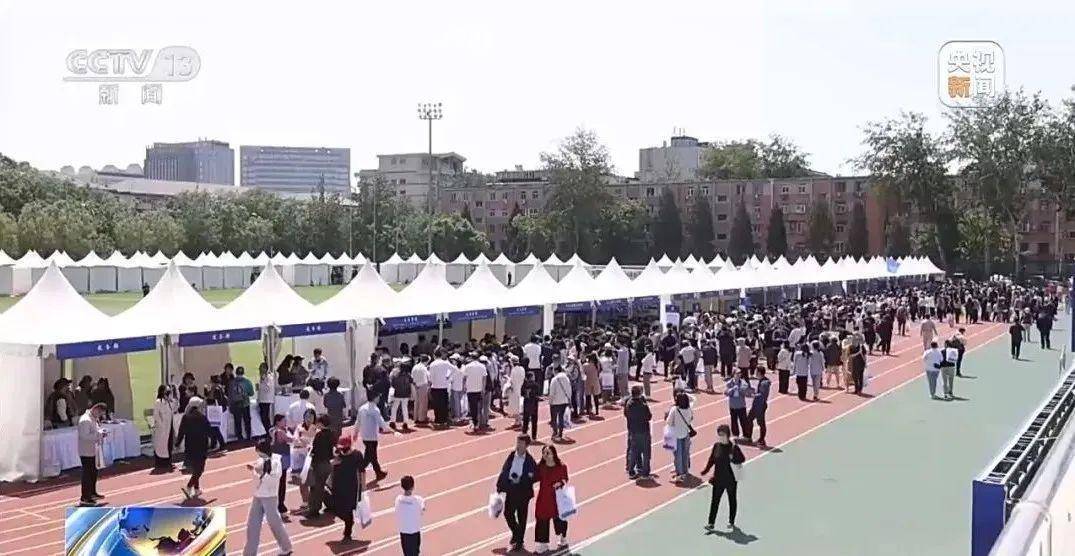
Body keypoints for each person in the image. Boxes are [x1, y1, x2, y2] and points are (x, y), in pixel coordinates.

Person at [242, 439, 293, 556]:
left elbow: (273, 478)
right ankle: (249, 553)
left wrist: (260, 473)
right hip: (258, 495)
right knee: (252, 524)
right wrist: (255, 469)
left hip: (269, 496)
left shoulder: (276, 461)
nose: (258, 454)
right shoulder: (261, 460)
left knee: (274, 523)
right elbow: (258, 471)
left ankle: (286, 547)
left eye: (259, 451)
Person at [496, 435, 538, 553]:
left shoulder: (530, 460)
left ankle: (519, 541)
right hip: (511, 489)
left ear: (527, 445)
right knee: (508, 513)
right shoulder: (511, 455)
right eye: (517, 442)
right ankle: (516, 533)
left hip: (523, 492)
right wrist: (500, 485)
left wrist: (522, 479)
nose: (518, 445)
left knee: (522, 516)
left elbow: (535, 475)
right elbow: (504, 470)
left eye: (521, 443)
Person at [701, 424, 746, 532]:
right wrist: (706, 470)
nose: (720, 437)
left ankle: (731, 521)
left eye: (722, 435)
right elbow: (712, 459)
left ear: (727, 435)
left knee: (732, 500)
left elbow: (742, 459)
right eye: (719, 435)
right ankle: (711, 523)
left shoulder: (733, 448)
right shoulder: (716, 446)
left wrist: (733, 458)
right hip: (718, 479)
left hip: (731, 480)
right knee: (715, 501)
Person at [534, 445, 570, 552]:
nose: (545, 455)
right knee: (541, 518)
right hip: (544, 497)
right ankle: (543, 544)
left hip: (557, 497)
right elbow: (534, 477)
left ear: (553, 454)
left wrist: (560, 483)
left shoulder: (561, 466)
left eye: (548, 453)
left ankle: (562, 538)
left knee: (559, 518)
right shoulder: (540, 466)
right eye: (543, 453)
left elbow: (565, 479)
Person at [330, 435, 365, 543]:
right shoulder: (337, 454)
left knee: (348, 509)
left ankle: (347, 531)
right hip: (337, 486)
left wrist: (363, 486)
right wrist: (333, 463)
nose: (342, 450)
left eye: (343, 447)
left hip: (351, 486)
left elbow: (362, 471)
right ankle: (348, 521)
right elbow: (330, 466)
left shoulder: (357, 455)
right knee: (335, 508)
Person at [175, 400, 211, 500]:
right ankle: (189, 486)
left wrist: (177, 443)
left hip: (190, 445)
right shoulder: (202, 417)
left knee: (195, 468)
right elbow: (209, 430)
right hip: (201, 445)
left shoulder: (186, 417)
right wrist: (213, 440)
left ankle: (197, 489)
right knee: (199, 469)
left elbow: (181, 431)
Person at [354, 393, 392, 482]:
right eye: (378, 397)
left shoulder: (362, 408)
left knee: (370, 455)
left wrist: (356, 432)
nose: (379, 398)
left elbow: (358, 422)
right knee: (371, 456)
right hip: (372, 436)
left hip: (365, 436)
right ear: (375, 398)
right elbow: (381, 423)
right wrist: (391, 430)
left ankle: (378, 472)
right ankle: (359, 470)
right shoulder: (375, 410)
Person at [77, 403, 108, 506]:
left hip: (93, 450)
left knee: (93, 472)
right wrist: (99, 434)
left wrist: (101, 432)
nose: (99, 416)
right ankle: (85, 497)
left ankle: (92, 493)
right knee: (87, 474)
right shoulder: (85, 420)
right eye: (99, 413)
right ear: (96, 409)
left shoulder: (93, 418)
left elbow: (95, 431)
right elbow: (84, 436)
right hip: (86, 451)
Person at [304, 415, 335, 518]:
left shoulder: (319, 435)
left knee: (316, 488)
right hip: (328, 463)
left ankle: (314, 509)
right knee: (324, 486)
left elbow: (314, 449)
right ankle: (331, 504)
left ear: (321, 423)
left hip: (319, 463)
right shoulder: (331, 433)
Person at [624, 385, 651, 480]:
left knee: (634, 450)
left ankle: (631, 469)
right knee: (646, 452)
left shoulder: (628, 403)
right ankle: (645, 473)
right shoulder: (643, 405)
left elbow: (626, 414)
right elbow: (649, 416)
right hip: (643, 430)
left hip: (633, 430)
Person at [666, 392, 694, 483]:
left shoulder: (674, 409)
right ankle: (685, 471)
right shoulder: (689, 409)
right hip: (685, 433)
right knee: (685, 453)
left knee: (678, 455)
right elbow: (690, 420)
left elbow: (669, 422)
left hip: (675, 434)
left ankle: (679, 474)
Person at [395, 474, 425, 556]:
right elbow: (422, 510)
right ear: (413, 487)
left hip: (403, 532)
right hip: (414, 532)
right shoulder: (418, 500)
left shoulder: (398, 499)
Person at [268, 414, 292, 514]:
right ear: (278, 422)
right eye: (283, 421)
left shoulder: (272, 430)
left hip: (274, 458)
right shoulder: (281, 432)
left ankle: (274, 504)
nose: (285, 422)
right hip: (282, 458)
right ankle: (281, 505)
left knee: (274, 481)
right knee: (282, 482)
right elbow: (290, 440)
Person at [152, 385, 177, 470]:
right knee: (161, 445)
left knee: (169, 444)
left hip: (169, 426)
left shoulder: (169, 402)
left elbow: (175, 408)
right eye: (167, 392)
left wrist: (174, 396)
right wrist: (161, 425)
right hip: (161, 428)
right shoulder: (158, 402)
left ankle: (168, 462)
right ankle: (160, 463)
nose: (168, 394)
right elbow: (156, 415)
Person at [227, 366, 255, 441]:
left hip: (236, 404)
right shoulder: (247, 382)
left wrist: (230, 405)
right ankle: (248, 436)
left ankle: (239, 437)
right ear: (243, 373)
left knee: (237, 422)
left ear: (236, 373)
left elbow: (230, 395)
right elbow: (251, 393)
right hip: (245, 404)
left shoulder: (232, 382)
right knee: (247, 421)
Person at [428, 351, 453, 428]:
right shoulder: (445, 363)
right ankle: (444, 420)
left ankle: (438, 420)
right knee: (444, 404)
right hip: (444, 386)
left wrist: (431, 382)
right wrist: (448, 376)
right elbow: (454, 369)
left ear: (434, 356)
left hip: (435, 386)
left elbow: (431, 376)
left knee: (437, 405)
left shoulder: (432, 364)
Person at [725, 370, 752, 441]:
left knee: (743, 421)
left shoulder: (743, 382)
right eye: (737, 373)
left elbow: (746, 391)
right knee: (734, 421)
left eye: (739, 373)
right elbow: (726, 392)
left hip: (741, 405)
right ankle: (735, 435)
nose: (738, 375)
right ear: (733, 374)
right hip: (733, 405)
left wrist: (740, 389)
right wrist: (732, 389)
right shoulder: (729, 383)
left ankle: (746, 435)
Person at [463, 355, 487, 432]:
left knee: (473, 408)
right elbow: (484, 378)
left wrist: (464, 387)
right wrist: (483, 388)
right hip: (479, 389)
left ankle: (475, 423)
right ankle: (479, 422)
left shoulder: (467, 366)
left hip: (470, 389)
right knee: (479, 407)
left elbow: (464, 378)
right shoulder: (482, 366)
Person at [747, 368, 770, 448]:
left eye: (756, 372)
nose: (755, 373)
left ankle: (761, 440)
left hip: (760, 405)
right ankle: (749, 436)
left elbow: (763, 395)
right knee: (749, 419)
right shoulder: (762, 381)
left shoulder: (764, 383)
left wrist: (754, 395)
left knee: (761, 423)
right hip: (756, 405)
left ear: (760, 373)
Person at [548, 364, 572, 441]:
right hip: (564, 401)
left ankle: (555, 432)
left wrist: (550, 401)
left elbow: (552, 392)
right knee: (561, 417)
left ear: (555, 370)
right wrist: (569, 399)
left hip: (555, 401)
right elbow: (569, 389)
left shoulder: (554, 379)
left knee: (554, 418)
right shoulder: (566, 378)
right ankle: (560, 433)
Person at [389, 360, 414, 432]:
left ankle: (392, 421)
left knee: (394, 408)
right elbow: (411, 381)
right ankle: (405, 422)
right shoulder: (408, 375)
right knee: (405, 408)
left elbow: (393, 384)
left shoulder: (396, 375)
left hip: (397, 393)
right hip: (406, 394)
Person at [256, 362, 276, 437]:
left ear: (265, 369)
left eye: (261, 368)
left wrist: (262, 382)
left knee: (264, 416)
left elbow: (268, 388)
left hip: (266, 400)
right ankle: (267, 431)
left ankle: (268, 431)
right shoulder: (262, 377)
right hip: (262, 399)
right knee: (264, 416)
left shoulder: (269, 377)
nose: (260, 370)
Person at [520, 371, 541, 440]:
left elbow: (521, 393)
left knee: (526, 419)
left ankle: (524, 433)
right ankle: (534, 436)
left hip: (526, 403)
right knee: (534, 421)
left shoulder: (524, 385)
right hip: (534, 404)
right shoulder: (535, 385)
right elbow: (538, 394)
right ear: (531, 377)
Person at [411, 355, 431, 425]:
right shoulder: (424, 368)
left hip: (415, 385)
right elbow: (429, 377)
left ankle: (416, 417)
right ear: (426, 361)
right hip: (423, 385)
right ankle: (421, 418)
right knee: (423, 403)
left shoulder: (415, 367)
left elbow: (412, 377)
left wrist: (415, 384)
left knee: (416, 402)